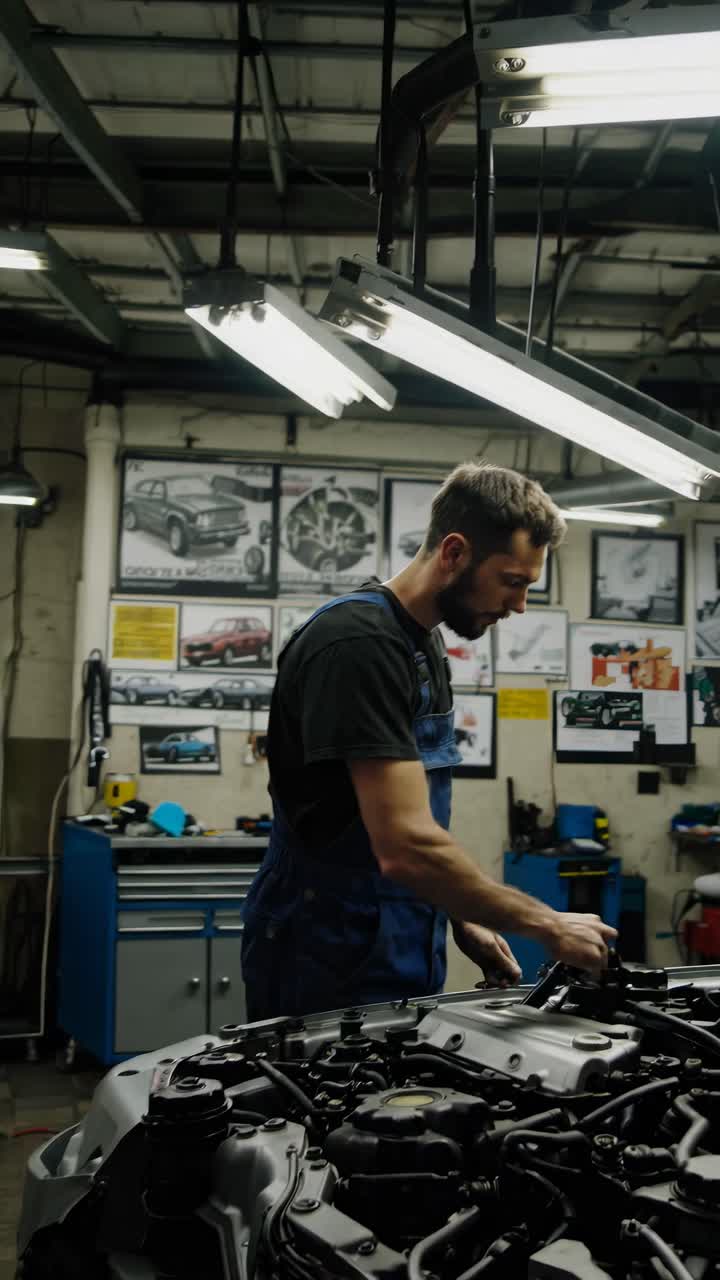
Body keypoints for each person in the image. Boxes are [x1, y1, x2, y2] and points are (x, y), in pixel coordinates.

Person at [241, 463, 617, 1021]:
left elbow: (414, 814)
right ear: (454, 552)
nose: (520, 605)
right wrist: (548, 925)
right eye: (513, 581)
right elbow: (404, 844)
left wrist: (462, 914)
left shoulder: (420, 645)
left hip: (399, 934)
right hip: (323, 945)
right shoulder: (356, 646)